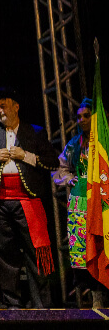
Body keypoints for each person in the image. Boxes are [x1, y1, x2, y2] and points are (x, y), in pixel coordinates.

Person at [0, 87, 60, 308]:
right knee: (5, 254)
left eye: (3, 106)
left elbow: (53, 162)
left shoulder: (35, 132)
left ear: (16, 107)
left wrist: (26, 156)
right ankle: (12, 304)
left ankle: (41, 305)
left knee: (36, 253)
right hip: (0, 203)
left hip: (27, 201)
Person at [54, 98, 107, 307]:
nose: (81, 120)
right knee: (84, 250)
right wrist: (70, 179)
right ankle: (96, 298)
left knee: (103, 247)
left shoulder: (105, 142)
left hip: (102, 201)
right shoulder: (74, 145)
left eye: (86, 116)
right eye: (78, 117)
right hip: (80, 201)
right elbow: (60, 169)